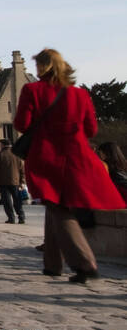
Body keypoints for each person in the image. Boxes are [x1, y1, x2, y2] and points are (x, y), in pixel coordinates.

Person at [15, 47, 126, 282]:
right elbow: (91, 130)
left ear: (43, 67)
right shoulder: (79, 94)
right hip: (77, 156)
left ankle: (85, 264)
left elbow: (22, 124)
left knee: (59, 208)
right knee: (54, 205)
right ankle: (52, 264)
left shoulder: (32, 90)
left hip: (47, 156)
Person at [0, 139, 26, 224]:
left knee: (7, 201)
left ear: (3, 145)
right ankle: (21, 217)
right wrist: (22, 181)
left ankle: (11, 218)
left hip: (3, 182)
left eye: (0, 145)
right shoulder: (17, 155)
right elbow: (22, 169)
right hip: (16, 181)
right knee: (17, 200)